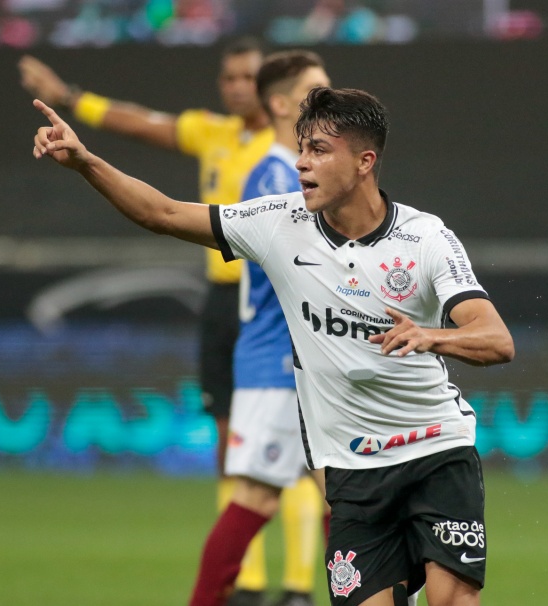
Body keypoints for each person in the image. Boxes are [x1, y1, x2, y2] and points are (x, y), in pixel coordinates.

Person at [30, 86, 515, 606]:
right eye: (301, 148)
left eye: (320, 151)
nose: (302, 164)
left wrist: (430, 336)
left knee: (452, 602)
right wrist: (85, 163)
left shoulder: (426, 239)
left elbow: (496, 339)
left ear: (364, 162)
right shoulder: (277, 222)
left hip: (436, 450)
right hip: (352, 469)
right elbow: (164, 214)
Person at [19, 40, 321, 604]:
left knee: (316, 482)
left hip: (285, 330)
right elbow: (156, 182)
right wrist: (72, 108)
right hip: (267, 328)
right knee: (258, 471)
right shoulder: (258, 163)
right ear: (283, 103)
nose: (237, 87)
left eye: (246, 76)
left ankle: (300, 585)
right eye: (229, 77)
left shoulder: (300, 162)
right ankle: (254, 586)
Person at [190, 49, 331, 606]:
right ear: (280, 104)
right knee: (259, 496)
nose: (328, 100)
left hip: (303, 359)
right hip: (279, 360)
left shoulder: (293, 169)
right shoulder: (275, 175)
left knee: (340, 497)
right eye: (315, 91)